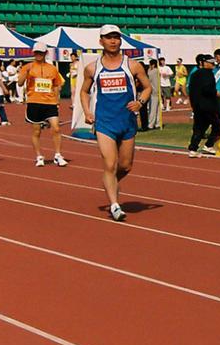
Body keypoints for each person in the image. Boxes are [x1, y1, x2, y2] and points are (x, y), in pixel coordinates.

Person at [79, 25, 151, 221]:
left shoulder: (133, 65)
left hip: (127, 122)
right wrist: (87, 111)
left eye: (116, 37)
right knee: (110, 164)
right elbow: (84, 91)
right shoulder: (93, 68)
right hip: (104, 122)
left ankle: (109, 181)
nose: (113, 41)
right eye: (108, 38)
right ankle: (114, 204)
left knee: (125, 166)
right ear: (101, 41)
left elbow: (147, 88)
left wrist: (140, 102)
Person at [20, 42, 67, 166]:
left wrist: (57, 101)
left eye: (41, 52)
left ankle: (58, 155)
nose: (38, 55)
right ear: (33, 53)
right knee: (36, 131)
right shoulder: (27, 67)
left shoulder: (52, 68)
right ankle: (39, 156)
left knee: (56, 128)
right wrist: (26, 73)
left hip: (50, 103)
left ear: (45, 53)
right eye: (36, 52)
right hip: (34, 102)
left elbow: (57, 85)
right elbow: (19, 83)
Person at [187, 54, 220, 156]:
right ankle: (209, 145)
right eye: (211, 63)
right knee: (217, 125)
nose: (213, 64)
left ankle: (193, 148)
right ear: (204, 63)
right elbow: (207, 89)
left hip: (197, 105)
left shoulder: (194, 74)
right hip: (207, 105)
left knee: (199, 127)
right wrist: (215, 92)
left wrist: (194, 104)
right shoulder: (208, 74)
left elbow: (191, 90)